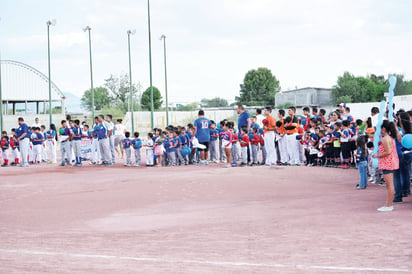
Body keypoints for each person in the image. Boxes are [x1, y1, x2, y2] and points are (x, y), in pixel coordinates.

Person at [372, 120, 399, 212]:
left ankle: (389, 205)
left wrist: (377, 155)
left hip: (387, 163)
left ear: (383, 128)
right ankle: (389, 204)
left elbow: (387, 152)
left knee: (390, 185)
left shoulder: (386, 139)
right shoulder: (390, 138)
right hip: (389, 163)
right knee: (389, 185)